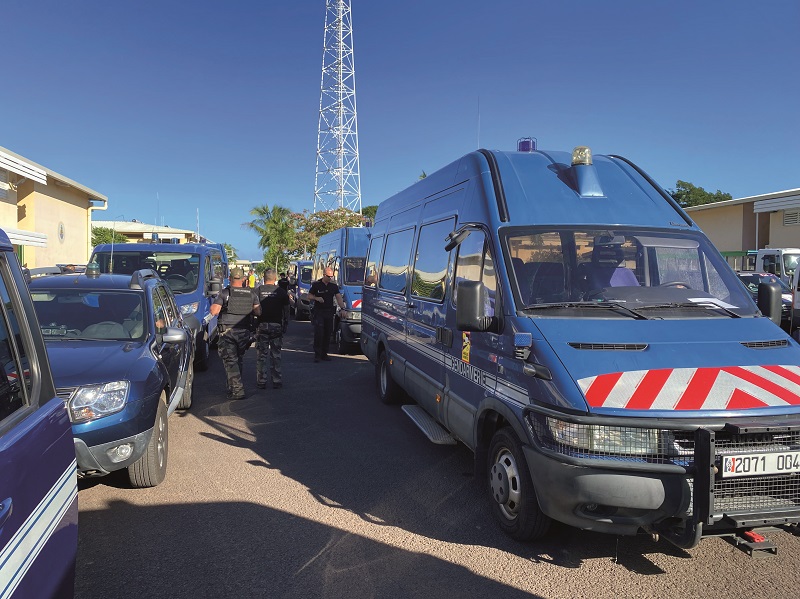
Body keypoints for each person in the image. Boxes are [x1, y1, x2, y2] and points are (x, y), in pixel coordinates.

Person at [210, 267, 260, 399]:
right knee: (238, 359)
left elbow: (214, 311)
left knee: (231, 360)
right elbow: (258, 312)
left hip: (228, 332)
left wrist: (215, 302)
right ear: (244, 279)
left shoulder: (225, 293)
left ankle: (238, 390)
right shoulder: (251, 294)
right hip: (244, 332)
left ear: (230, 279)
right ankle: (232, 387)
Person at [255, 269, 289, 389]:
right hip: (276, 326)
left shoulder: (258, 291)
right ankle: (277, 380)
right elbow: (286, 310)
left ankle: (261, 381)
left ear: (264, 278)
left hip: (262, 325)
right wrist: (285, 324)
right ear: (275, 279)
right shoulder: (281, 292)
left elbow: (252, 309)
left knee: (261, 354)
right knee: (276, 354)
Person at [307, 267, 345, 362]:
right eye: (328, 276)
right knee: (319, 333)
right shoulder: (317, 285)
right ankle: (317, 354)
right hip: (319, 312)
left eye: (332, 276)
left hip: (329, 312)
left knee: (328, 333)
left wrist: (343, 308)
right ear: (324, 275)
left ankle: (324, 353)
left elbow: (338, 297)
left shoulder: (333, 286)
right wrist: (316, 298)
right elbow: (309, 296)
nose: (330, 278)